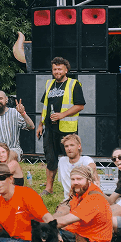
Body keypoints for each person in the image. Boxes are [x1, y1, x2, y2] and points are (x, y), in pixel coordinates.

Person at [37, 57, 85, 195]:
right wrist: (40, 124)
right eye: (54, 69)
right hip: (50, 128)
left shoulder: (74, 84)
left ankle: (74, 187)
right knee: (50, 158)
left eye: (59, 69)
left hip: (67, 130)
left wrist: (62, 115)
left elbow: (80, 105)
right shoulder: (49, 84)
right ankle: (48, 188)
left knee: (71, 158)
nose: (57, 72)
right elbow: (45, 107)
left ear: (66, 70)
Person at [53, 165, 112, 242]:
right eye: (73, 179)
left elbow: (63, 221)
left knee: (47, 234)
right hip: (83, 234)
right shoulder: (80, 193)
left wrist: (44, 226)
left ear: (88, 180)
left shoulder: (94, 198)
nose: (75, 182)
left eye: (79, 179)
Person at [0, 91, 34, 159]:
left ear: (6, 99)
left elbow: (31, 127)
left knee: (6, 156)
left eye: (1, 98)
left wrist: (23, 113)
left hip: (13, 149)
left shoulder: (14, 113)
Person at [56, 134, 98, 200]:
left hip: (87, 199)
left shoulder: (86, 159)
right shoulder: (62, 161)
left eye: (72, 145)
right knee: (60, 210)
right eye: (66, 146)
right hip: (69, 199)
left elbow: (92, 166)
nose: (69, 148)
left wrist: (87, 170)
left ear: (79, 146)